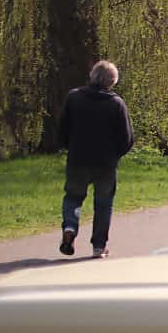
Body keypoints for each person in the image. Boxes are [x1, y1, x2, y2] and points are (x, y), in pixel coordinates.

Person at [57, 60, 134, 258]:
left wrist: (70, 147)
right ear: (112, 81)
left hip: (78, 159)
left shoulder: (74, 98)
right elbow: (126, 138)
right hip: (106, 164)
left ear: (92, 76)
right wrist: (116, 154)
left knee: (73, 197)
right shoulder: (116, 104)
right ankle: (98, 246)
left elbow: (62, 129)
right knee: (103, 204)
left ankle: (70, 227)